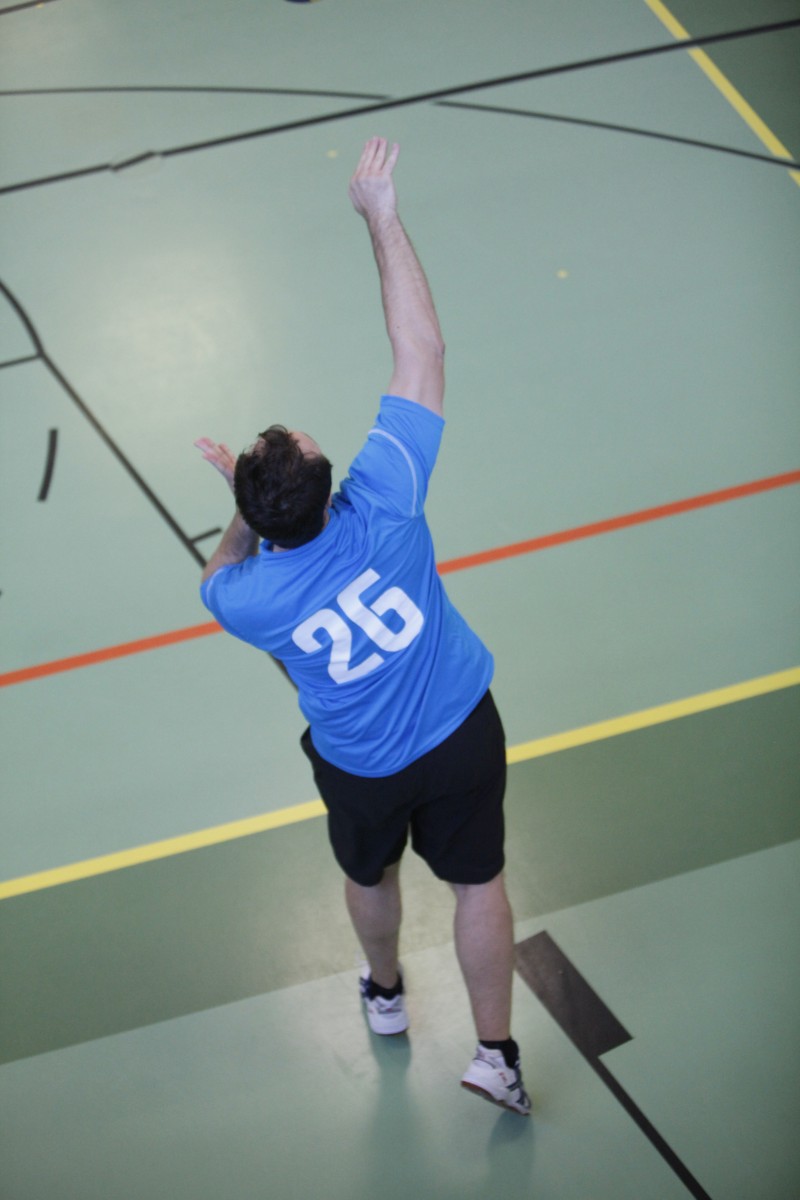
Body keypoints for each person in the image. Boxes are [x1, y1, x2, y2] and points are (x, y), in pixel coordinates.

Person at [194, 137, 530, 1116]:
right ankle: (497, 1057)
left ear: (262, 515)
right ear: (327, 478)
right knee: (479, 886)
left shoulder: (246, 599)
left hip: (361, 766)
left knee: (368, 872)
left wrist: (239, 508)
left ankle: (384, 994)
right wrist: (380, 213)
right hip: (461, 731)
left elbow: (220, 570)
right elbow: (422, 352)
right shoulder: (386, 495)